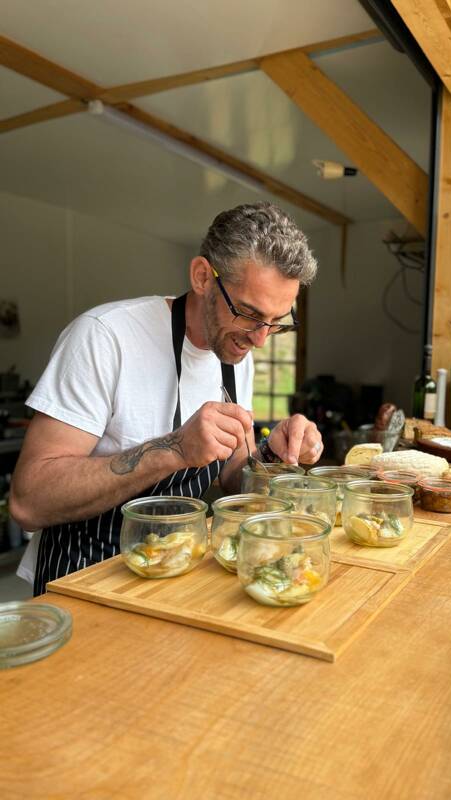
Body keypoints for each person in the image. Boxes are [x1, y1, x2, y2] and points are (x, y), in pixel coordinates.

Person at [10, 202, 323, 595]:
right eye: (247, 312)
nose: (260, 339)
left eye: (276, 323)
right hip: (84, 578)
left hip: (172, 573)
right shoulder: (105, 337)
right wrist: (174, 449)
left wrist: (271, 455)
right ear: (202, 277)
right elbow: (29, 500)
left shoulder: (236, 352)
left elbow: (232, 476)